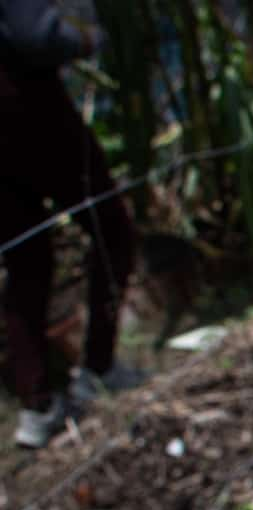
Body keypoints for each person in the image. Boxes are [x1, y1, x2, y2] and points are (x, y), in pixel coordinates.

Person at [1, 0, 142, 449]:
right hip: (27, 107)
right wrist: (85, 39)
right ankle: (98, 367)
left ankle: (36, 403)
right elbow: (35, 35)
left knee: (25, 259)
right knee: (110, 228)